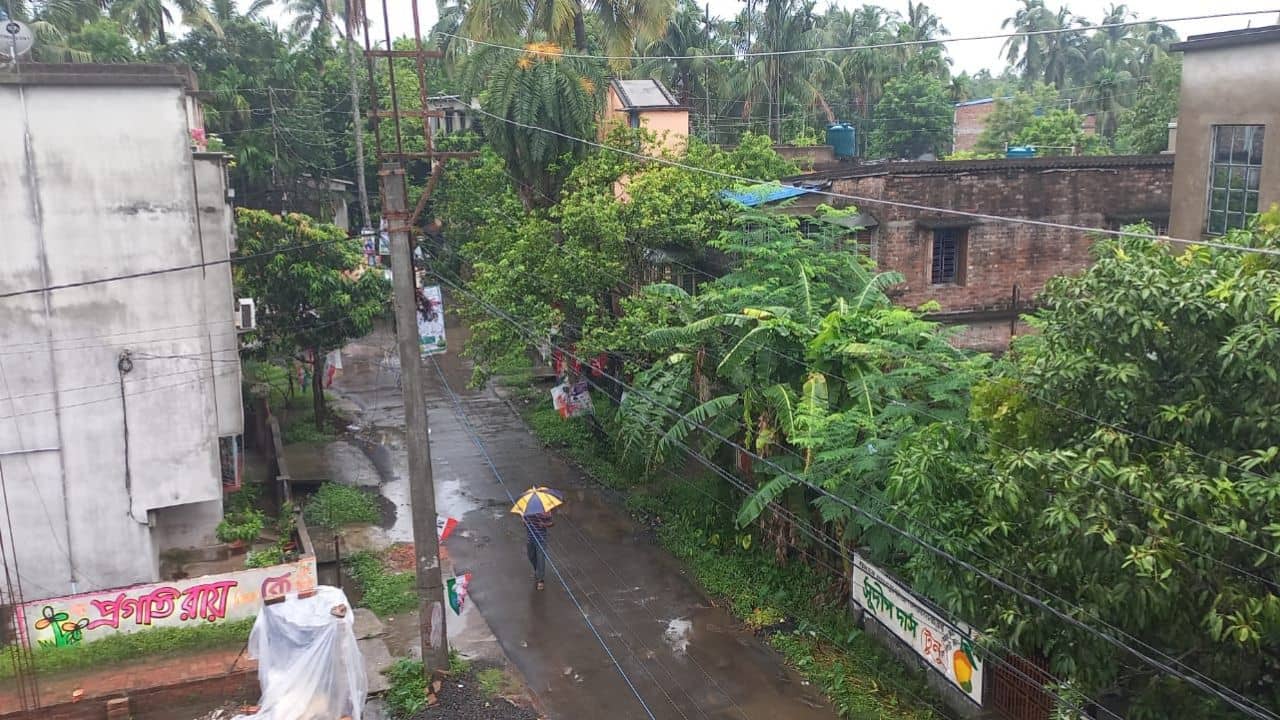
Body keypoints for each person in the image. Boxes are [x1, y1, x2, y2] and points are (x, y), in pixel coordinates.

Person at [525, 512, 553, 590]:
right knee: (531, 556)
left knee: (540, 558)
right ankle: (537, 570)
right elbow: (526, 524)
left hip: (541, 539)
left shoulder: (546, 511)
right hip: (530, 538)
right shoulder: (527, 511)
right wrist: (525, 522)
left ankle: (541, 580)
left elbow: (551, 523)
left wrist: (544, 525)